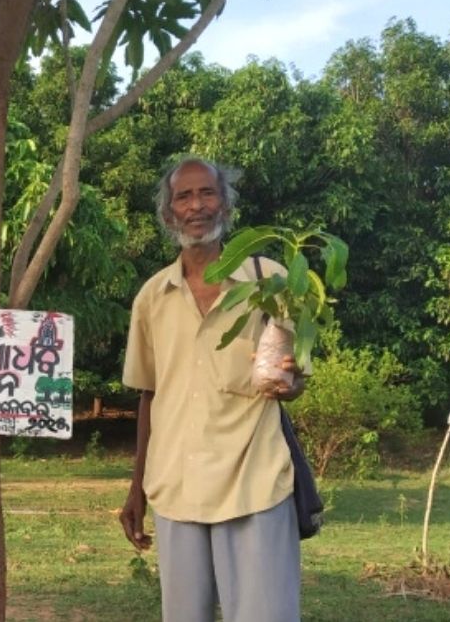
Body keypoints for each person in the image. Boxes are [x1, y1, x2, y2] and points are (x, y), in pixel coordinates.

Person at [118, 158, 307, 622]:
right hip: (175, 487)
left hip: (254, 482)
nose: (196, 205)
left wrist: (290, 383)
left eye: (207, 193)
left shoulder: (269, 281)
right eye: (184, 197)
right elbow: (148, 394)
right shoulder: (152, 297)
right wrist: (136, 489)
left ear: (225, 205)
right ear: (168, 214)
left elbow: (294, 375)